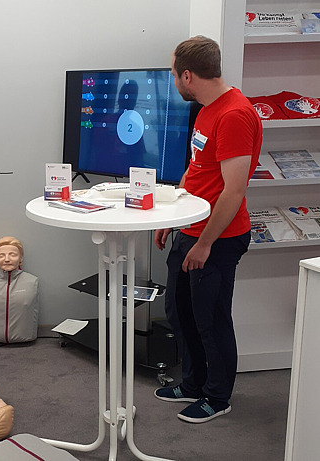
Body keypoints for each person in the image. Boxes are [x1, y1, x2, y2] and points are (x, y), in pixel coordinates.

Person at [154, 36, 262, 423]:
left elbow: (233, 191)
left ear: (188, 74)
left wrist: (204, 243)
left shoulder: (234, 115)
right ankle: (193, 383)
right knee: (179, 310)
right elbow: (197, 168)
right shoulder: (206, 108)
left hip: (218, 238)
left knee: (211, 319)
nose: (172, 79)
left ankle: (217, 397)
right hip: (191, 228)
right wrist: (174, 216)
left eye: (173, 73)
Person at [0, 236, 39, 343]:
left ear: (21, 258)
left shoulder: (32, 281)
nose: (7, 259)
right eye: (1, 255)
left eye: (13, 255)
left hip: (26, 337)